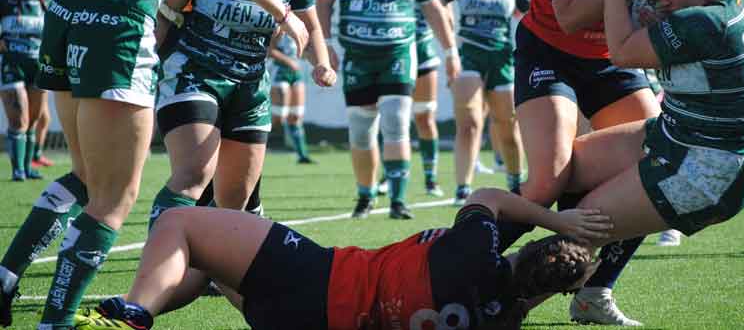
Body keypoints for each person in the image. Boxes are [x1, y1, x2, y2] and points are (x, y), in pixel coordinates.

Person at [0, 0, 308, 328]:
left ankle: (5, 278)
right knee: (113, 200)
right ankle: (55, 323)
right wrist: (285, 14)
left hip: (66, 21)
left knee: (85, 178)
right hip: (119, 30)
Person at [511, 0, 679, 325]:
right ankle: (479, 265)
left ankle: (595, 290)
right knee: (547, 180)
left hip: (612, 61)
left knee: (662, 158)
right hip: (550, 52)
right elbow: (566, 15)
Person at [564, 0, 744, 275]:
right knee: (566, 167)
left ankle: (500, 304)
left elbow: (622, 52)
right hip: (682, 136)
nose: (663, 0)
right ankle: (592, 293)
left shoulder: (703, 22)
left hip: (710, 169)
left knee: (585, 218)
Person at [74, 188, 611, 330]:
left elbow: (488, 195)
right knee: (205, 264)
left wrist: (559, 221)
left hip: (319, 277)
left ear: (531, 248)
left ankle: (132, 317)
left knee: (180, 224)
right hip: (301, 321)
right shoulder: (503, 321)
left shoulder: (476, 249)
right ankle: (121, 314)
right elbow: (523, 293)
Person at [149, 0, 334, 231]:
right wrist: (150, 60)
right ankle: (154, 269)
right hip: (195, 74)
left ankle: (217, 273)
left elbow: (310, 26)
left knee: (234, 202)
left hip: (250, 87)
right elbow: (167, 11)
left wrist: (322, 64)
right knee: (193, 175)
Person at [316, 0, 460, 220]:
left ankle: (397, 201)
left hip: (398, 56)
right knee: (361, 130)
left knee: (396, 121)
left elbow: (433, 8)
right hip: (357, 58)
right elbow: (323, 2)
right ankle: (365, 196)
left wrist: (451, 51)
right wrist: (325, 47)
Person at [442, 0, 530, 204]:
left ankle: (515, 180)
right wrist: (446, 26)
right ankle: (462, 188)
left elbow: (535, 18)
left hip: (502, 60)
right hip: (469, 58)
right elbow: (433, 2)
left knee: (508, 126)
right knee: (468, 123)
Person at [404, 0, 447, 196]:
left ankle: (431, 178)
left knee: (425, 117)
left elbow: (444, 8)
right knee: (395, 119)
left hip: (424, 51)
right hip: (395, 50)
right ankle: (391, 175)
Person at [0, 0, 48, 181]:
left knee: (33, 120)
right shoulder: (6, 4)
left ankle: (28, 168)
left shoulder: (45, 7)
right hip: (11, 66)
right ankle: (17, 170)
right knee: (19, 120)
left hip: (37, 68)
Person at [268, 32, 316, 164]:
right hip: (279, 71)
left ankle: (302, 155)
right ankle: (252, 144)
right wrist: (288, 61)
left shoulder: (301, 25)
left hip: (296, 72)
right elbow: (268, 49)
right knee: (278, 117)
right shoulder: (279, 25)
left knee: (296, 116)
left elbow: (307, 49)